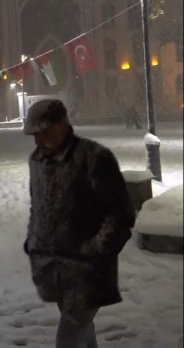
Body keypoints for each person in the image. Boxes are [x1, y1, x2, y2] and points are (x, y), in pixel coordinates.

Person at [22, 99, 136, 348]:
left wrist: (95, 251)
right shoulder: (38, 162)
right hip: (56, 271)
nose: (38, 141)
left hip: (89, 273)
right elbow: (38, 208)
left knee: (69, 337)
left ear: (62, 126)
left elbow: (121, 215)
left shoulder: (95, 159)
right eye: (34, 136)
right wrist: (33, 241)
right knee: (82, 331)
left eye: (43, 133)